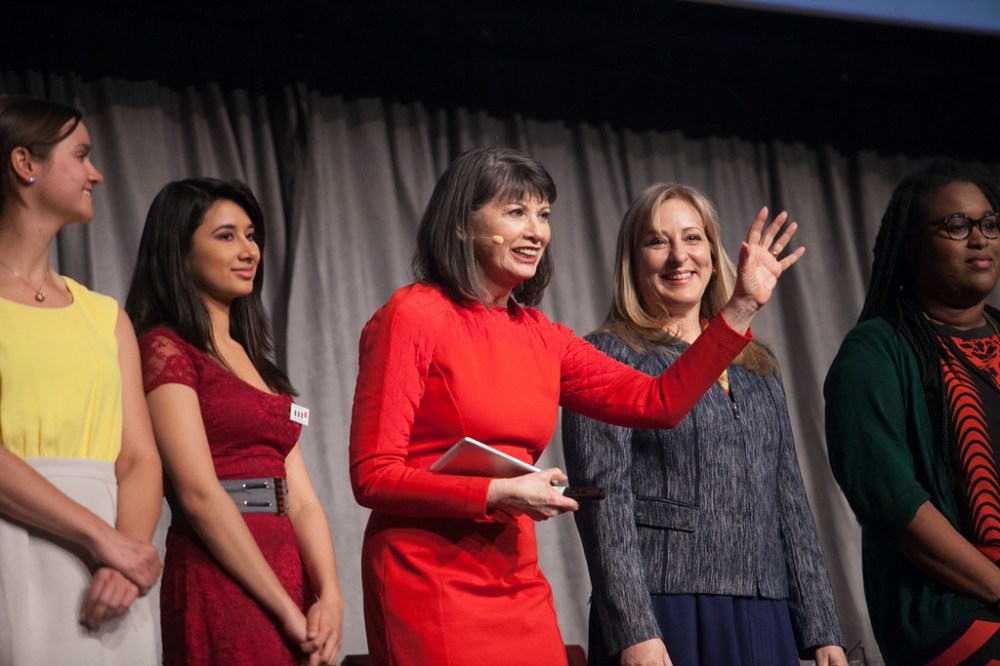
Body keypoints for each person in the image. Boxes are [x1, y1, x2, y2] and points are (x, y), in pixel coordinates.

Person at [349, 147, 804, 665]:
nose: (537, 231)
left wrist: (740, 306)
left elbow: (660, 401)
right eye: (516, 211)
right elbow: (372, 476)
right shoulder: (411, 316)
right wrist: (497, 490)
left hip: (513, 578)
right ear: (460, 225)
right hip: (427, 579)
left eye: (543, 215)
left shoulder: (543, 337)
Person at [562, 183, 846, 666]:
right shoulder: (609, 356)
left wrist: (823, 631)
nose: (679, 257)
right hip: (666, 610)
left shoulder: (757, 366)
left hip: (764, 610)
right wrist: (633, 630)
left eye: (693, 239)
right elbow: (602, 506)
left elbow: (789, 502)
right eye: (657, 241)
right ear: (632, 260)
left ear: (714, 253)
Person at [125, 177, 344, 666]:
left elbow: (304, 500)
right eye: (226, 236)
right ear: (178, 251)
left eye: (251, 235)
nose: (248, 250)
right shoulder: (166, 349)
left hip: (288, 567)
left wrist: (329, 594)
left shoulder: (255, 359)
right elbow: (199, 494)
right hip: (222, 570)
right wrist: (286, 612)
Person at [0, 96, 162, 664]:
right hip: (14, 545)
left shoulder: (103, 314)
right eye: (81, 155)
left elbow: (139, 459)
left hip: (113, 574)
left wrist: (127, 554)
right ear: (26, 163)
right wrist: (104, 539)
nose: (96, 172)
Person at [825, 159, 1000, 664]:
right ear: (911, 245)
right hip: (949, 611)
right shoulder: (874, 352)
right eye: (956, 226)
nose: (979, 239)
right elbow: (893, 504)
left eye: (989, 224)